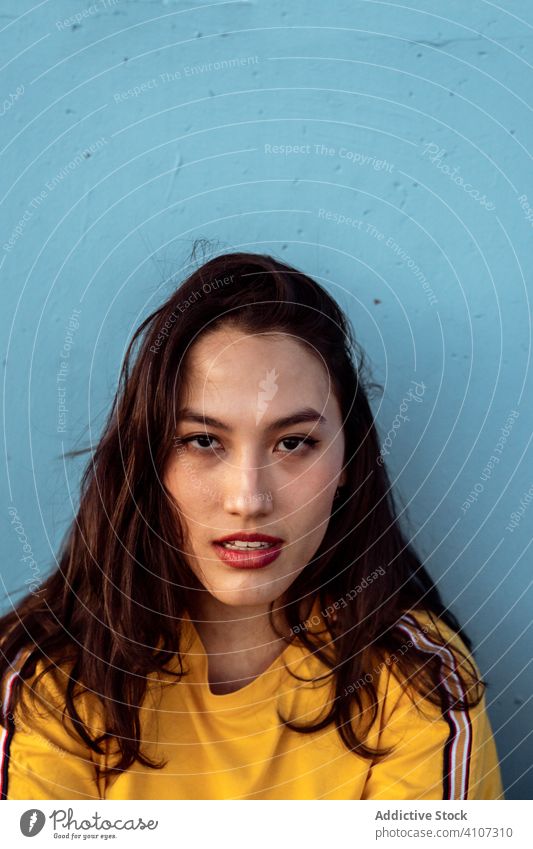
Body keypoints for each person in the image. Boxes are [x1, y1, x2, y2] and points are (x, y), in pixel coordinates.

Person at [0, 249, 504, 800]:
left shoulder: (417, 682)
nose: (249, 499)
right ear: (150, 461)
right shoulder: (47, 681)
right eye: (203, 441)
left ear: (348, 463)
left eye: (293, 443)